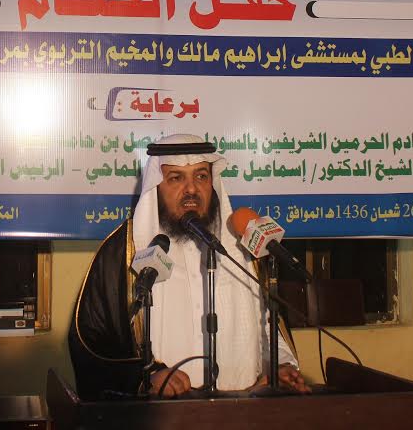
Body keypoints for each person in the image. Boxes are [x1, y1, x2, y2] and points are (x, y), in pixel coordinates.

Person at [69, 133, 308, 399]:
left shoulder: (241, 249)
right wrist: (146, 377)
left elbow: (266, 323)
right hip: (163, 411)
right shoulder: (124, 250)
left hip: (240, 407)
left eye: (201, 176)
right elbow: (91, 341)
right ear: (156, 186)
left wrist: (278, 365)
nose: (191, 189)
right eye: (176, 178)